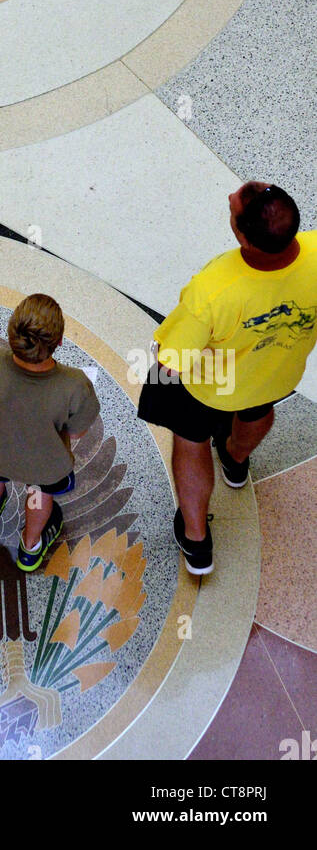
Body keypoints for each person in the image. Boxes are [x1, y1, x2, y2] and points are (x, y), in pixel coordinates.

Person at [138, 182, 317, 576]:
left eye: (233, 206)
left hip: (208, 388)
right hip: (276, 373)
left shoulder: (214, 288)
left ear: (243, 237)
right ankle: (235, 461)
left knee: (190, 440)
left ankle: (197, 540)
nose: (233, 196)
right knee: (258, 409)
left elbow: (172, 362)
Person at [0, 294, 100, 572]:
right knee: (38, 495)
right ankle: (29, 548)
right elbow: (77, 433)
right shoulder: (75, 385)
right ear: (59, 341)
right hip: (45, 467)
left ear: (12, 332)